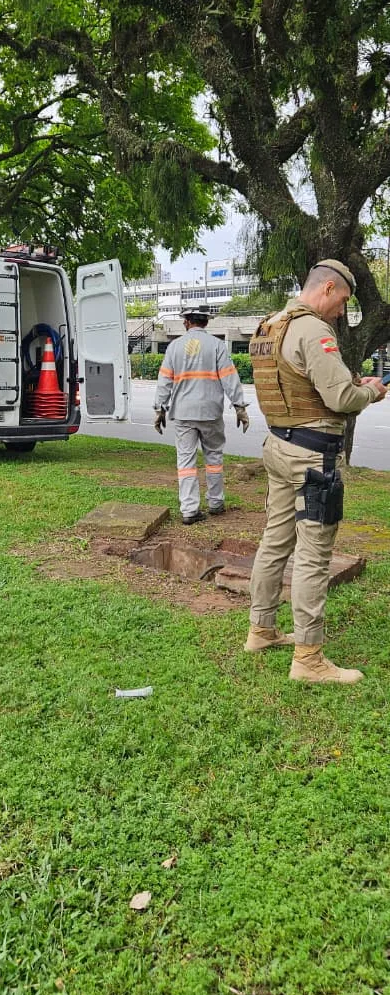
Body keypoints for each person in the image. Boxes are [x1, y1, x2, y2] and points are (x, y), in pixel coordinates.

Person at [245, 258, 387, 684]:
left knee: (274, 542)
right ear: (326, 289)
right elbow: (341, 398)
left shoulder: (269, 326)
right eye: (343, 301)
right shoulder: (313, 330)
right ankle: (308, 659)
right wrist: (372, 392)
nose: (343, 311)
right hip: (312, 459)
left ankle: (261, 630)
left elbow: (300, 385)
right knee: (313, 554)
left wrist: (348, 386)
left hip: (279, 446)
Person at [153, 306, 249, 524]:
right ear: (206, 322)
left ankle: (189, 510)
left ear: (186, 322)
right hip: (210, 411)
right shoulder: (217, 346)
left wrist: (160, 409)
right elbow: (229, 378)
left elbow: (164, 381)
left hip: (183, 413)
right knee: (214, 458)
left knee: (185, 461)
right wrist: (239, 406)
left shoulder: (174, 347)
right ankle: (215, 503)